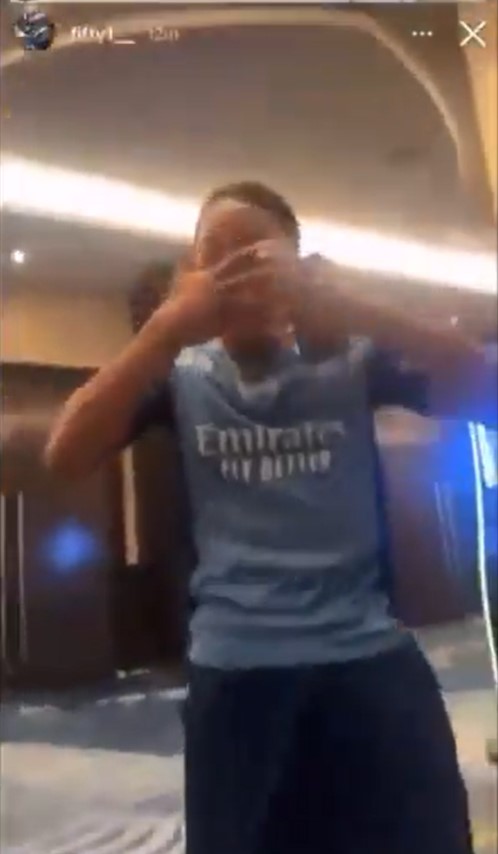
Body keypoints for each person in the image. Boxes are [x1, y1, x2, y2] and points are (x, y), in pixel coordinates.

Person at [45, 181, 496, 854]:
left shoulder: (351, 360)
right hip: (239, 677)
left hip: (367, 658)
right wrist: (164, 330)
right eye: (215, 256)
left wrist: (360, 311)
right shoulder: (181, 374)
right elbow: (64, 454)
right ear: (193, 276)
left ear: (296, 268)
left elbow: (489, 392)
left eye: (254, 254)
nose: (237, 274)